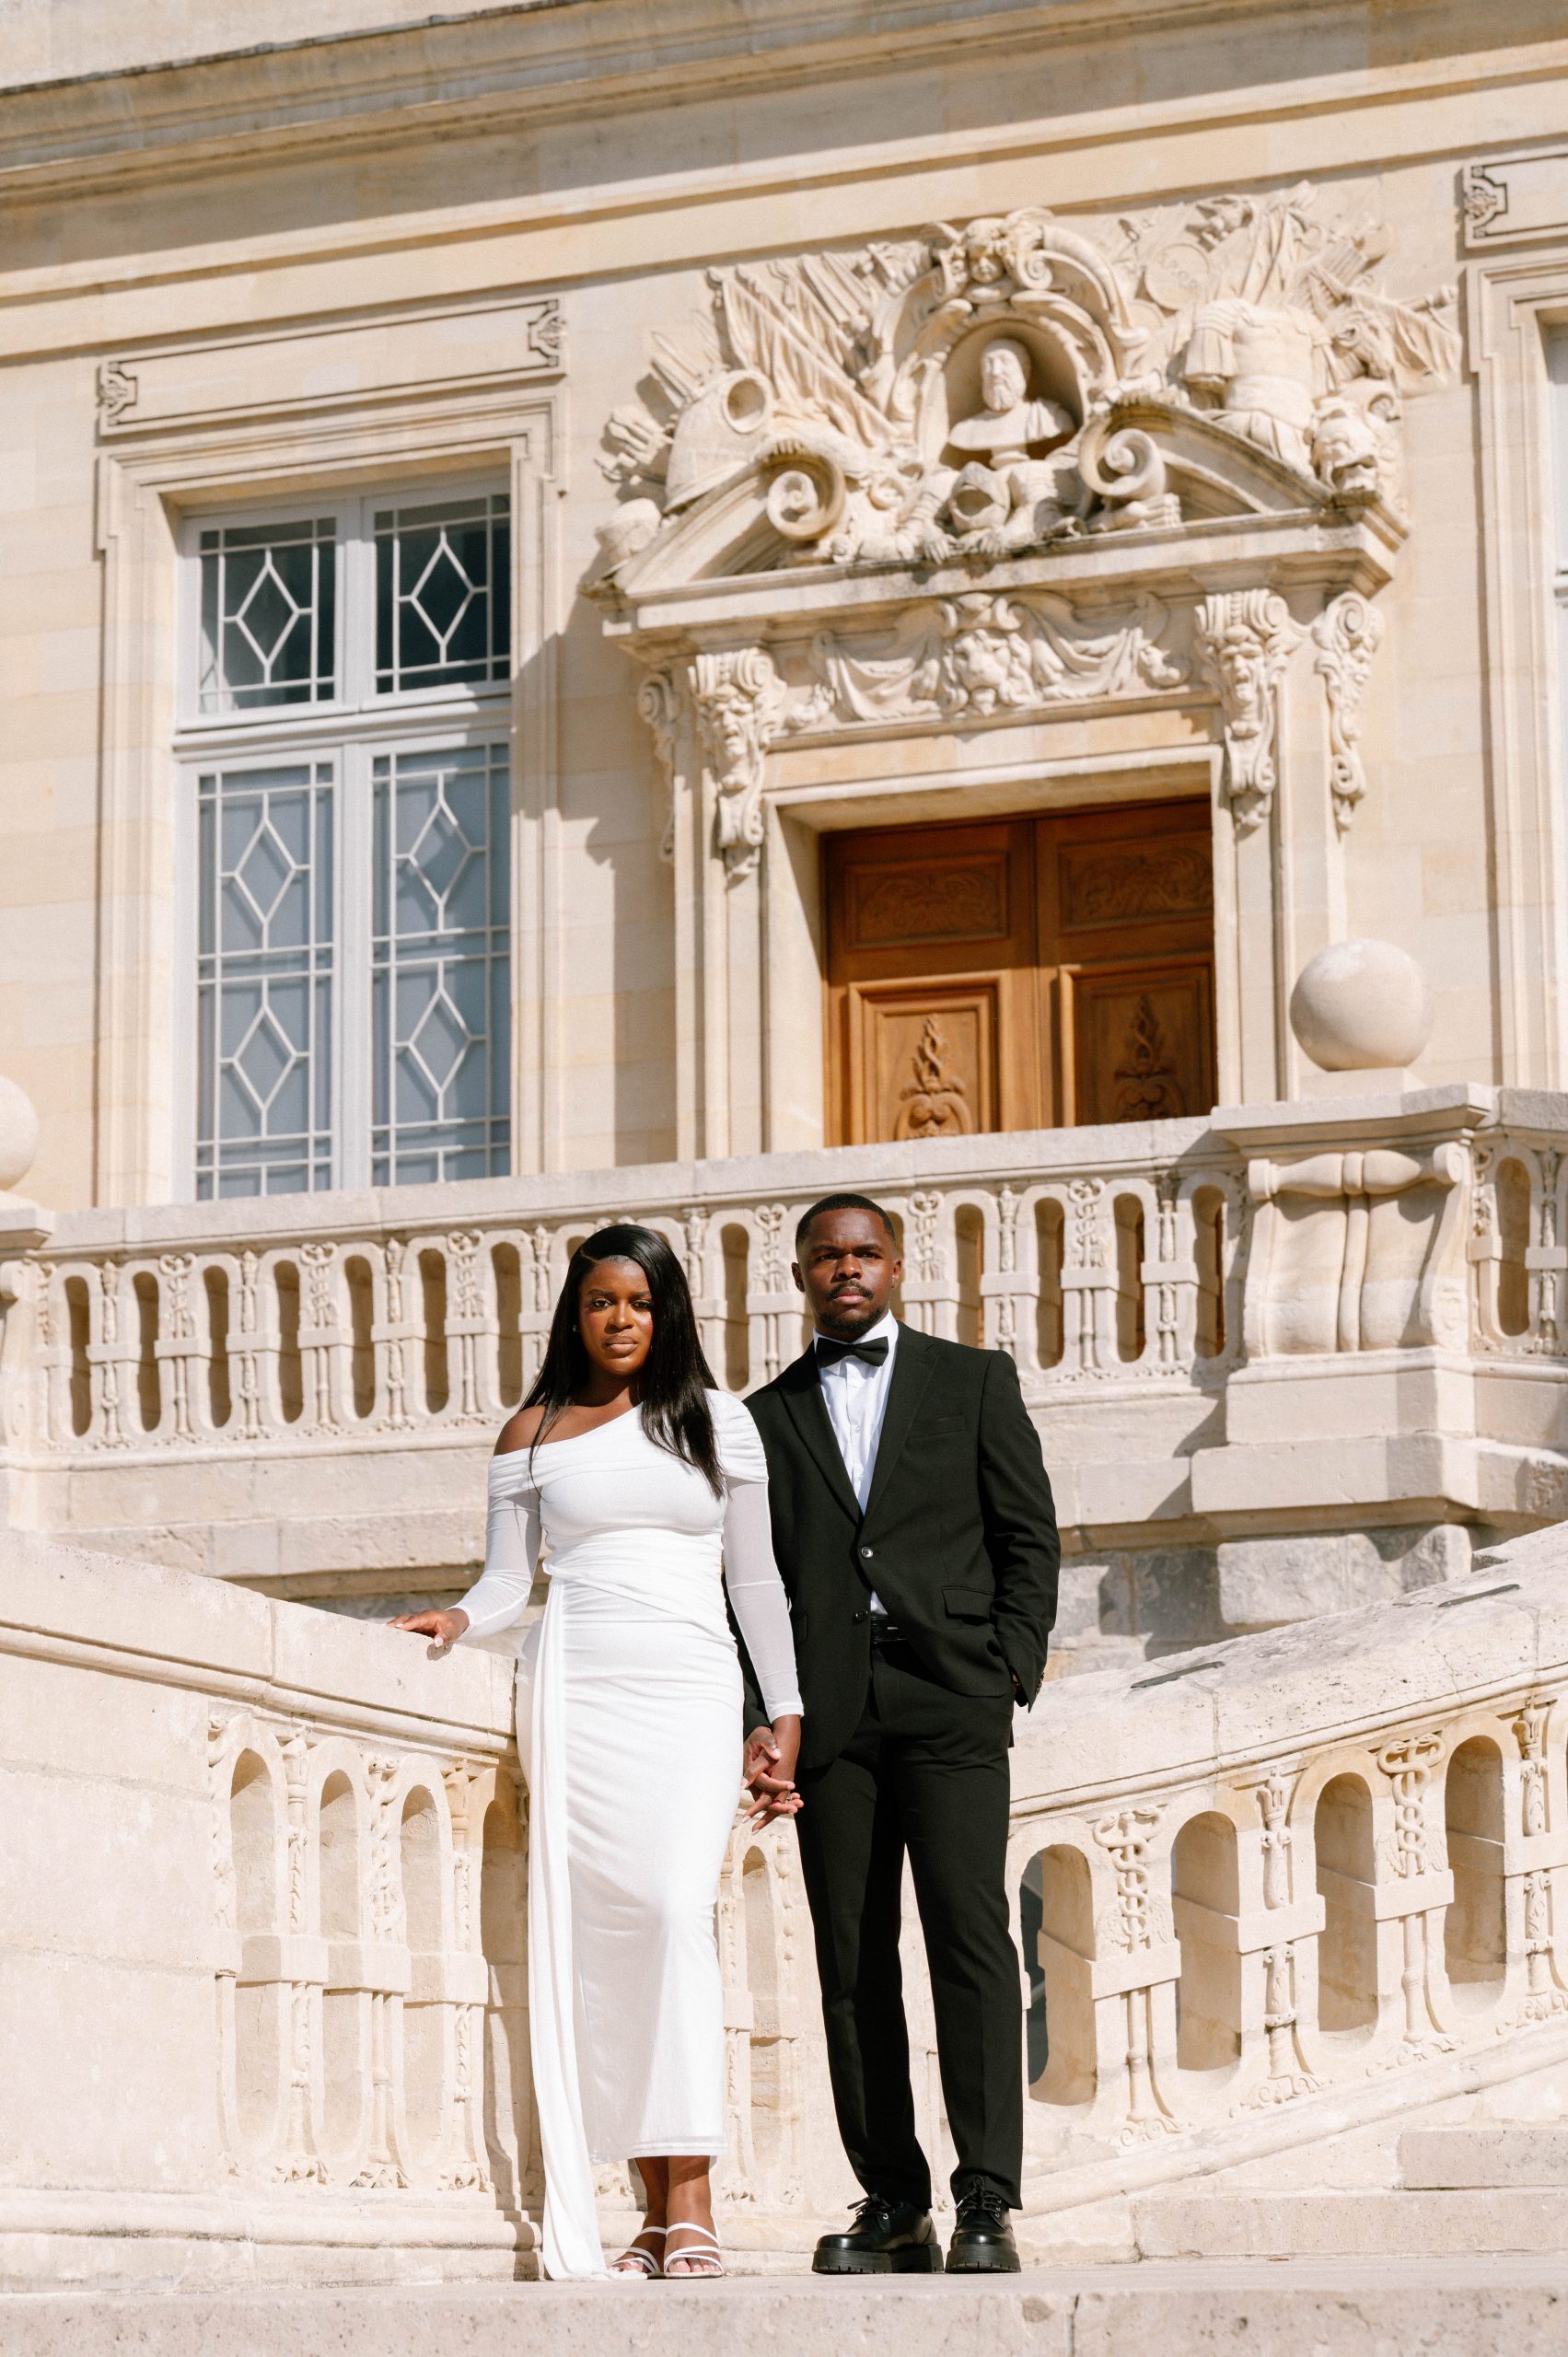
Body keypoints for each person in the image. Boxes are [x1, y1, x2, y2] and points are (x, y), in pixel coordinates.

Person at [391, 1225, 804, 2282]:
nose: (620, 1319)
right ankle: (648, 2213)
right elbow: (507, 1581)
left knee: (673, 1914)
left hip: (690, 1687)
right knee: (604, 1946)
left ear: (667, 1311)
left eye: (639, 1300)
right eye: (600, 1301)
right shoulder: (530, 1430)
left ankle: (692, 2197)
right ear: (574, 1315)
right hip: (575, 1689)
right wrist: (457, 1618)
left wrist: (784, 1709)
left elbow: (755, 1579)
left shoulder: (718, 1420)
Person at [739, 1191, 1058, 2275]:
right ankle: (891, 2199)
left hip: (951, 1692)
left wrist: (1009, 1661)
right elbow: (749, 1580)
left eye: (865, 1252)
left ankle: (985, 2200)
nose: (847, 1268)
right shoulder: (762, 1416)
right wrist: (762, 1712)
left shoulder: (973, 1380)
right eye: (827, 1256)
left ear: (897, 1265)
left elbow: (1027, 1534)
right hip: (827, 1712)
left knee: (970, 1940)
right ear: (798, 1275)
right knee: (850, 1957)